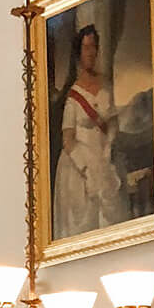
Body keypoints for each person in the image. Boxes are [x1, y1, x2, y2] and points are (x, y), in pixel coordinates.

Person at [52, 25, 130, 237]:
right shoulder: (73, 96)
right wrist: (86, 167)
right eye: (86, 47)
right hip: (80, 163)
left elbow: (112, 122)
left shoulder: (105, 84)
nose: (90, 52)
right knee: (85, 220)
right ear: (79, 52)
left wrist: (109, 148)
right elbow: (68, 138)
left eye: (93, 46)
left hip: (105, 156)